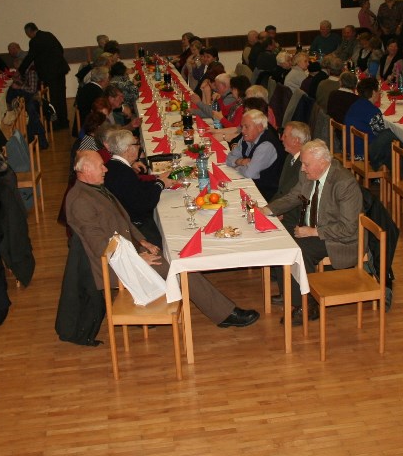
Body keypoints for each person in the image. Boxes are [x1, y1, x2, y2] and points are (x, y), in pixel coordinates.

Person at [65, 150, 259, 328]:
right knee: (178, 267)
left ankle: (214, 307)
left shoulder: (93, 188)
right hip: (116, 264)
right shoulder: (81, 201)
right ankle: (224, 313)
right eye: (101, 166)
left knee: (172, 253)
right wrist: (137, 258)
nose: (106, 169)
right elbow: (100, 246)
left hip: (127, 251)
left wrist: (142, 241)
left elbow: (122, 219)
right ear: (86, 170)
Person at [262, 140, 361, 325]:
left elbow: (349, 228)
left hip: (338, 238)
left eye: (306, 164)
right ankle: (289, 292)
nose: (302, 169)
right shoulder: (309, 175)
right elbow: (294, 196)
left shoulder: (344, 183)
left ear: (322, 163)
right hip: (312, 228)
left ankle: (306, 305)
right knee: (279, 237)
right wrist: (266, 210)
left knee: (299, 249)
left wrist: (313, 231)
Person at [101, 129, 170, 244]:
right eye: (136, 144)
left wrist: (158, 181)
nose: (139, 147)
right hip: (133, 226)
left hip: (125, 218)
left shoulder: (112, 165)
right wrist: (161, 184)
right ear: (128, 149)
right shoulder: (123, 172)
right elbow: (146, 203)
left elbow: (137, 188)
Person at [19, 22, 71, 129]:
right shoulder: (48, 34)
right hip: (60, 70)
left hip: (49, 74)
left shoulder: (34, 41)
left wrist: (20, 70)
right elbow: (60, 48)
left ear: (29, 32)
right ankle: (64, 121)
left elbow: (30, 57)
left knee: (52, 99)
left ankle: (55, 124)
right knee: (61, 96)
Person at [226, 109, 285, 200]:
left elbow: (250, 173)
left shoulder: (266, 145)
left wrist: (236, 166)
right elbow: (229, 158)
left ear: (260, 127)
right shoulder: (247, 138)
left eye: (246, 127)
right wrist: (240, 161)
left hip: (264, 194)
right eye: (242, 127)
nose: (243, 131)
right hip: (248, 185)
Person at [344, 77, 396, 170]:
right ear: (373, 92)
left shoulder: (354, 105)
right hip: (363, 153)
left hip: (349, 149)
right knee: (389, 139)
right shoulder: (373, 112)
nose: (379, 93)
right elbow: (381, 137)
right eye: (378, 91)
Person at [74, 66, 109, 132]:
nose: (108, 81)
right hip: (90, 127)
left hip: (81, 124)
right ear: (102, 80)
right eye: (107, 78)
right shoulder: (99, 93)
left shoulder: (86, 87)